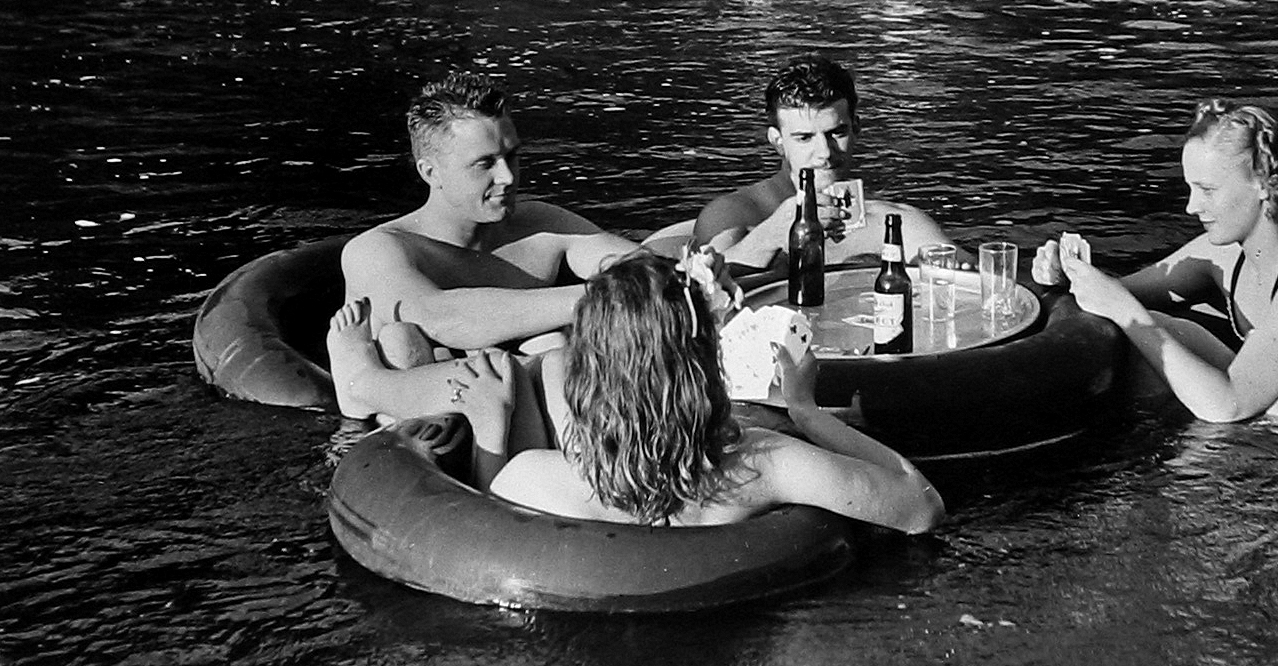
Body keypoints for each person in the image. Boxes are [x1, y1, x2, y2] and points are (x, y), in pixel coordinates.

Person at [414, 251, 944, 532]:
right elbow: (921, 508)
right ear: (703, 365)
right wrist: (807, 411)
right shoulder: (763, 464)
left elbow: (489, 531)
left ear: (590, 373)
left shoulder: (533, 475)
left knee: (542, 364)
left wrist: (490, 428)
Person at [1033, 98, 1278, 422]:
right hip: (1265, 422)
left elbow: (1228, 406)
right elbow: (1117, 292)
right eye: (1190, 189)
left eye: (1208, 190)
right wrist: (1067, 274)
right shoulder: (1225, 256)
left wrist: (1124, 311)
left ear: (1263, 184)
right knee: (1159, 332)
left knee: (1146, 332)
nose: (1191, 207)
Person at [330, 69, 638, 420]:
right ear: (430, 172)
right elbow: (443, 319)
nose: (507, 177)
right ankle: (361, 387)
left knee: (553, 343)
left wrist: (684, 270)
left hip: (530, 407)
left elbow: (641, 266)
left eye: (512, 156)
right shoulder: (377, 250)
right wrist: (603, 296)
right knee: (400, 341)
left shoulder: (542, 225)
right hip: (423, 420)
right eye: (485, 164)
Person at [692, 55, 955, 266]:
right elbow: (702, 289)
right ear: (777, 141)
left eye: (837, 133)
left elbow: (967, 277)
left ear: (856, 128)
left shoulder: (895, 221)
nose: (825, 153)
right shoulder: (731, 215)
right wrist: (770, 236)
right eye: (804, 138)